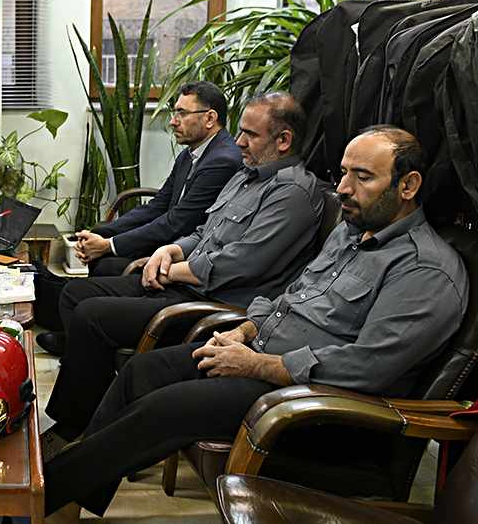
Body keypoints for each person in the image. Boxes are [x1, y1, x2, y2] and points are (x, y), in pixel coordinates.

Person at [39, 125, 468, 519]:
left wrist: (256, 364)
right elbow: (291, 295)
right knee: (142, 371)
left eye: (363, 177)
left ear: (408, 185)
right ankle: (69, 501)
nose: (343, 188)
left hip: (318, 408)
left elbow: (367, 366)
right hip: (260, 359)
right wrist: (243, 330)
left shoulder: (425, 270)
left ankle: (41, 499)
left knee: (164, 409)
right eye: (343, 173)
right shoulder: (351, 232)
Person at [41, 91, 324, 448]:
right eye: (240, 131)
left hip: (215, 304)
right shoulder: (247, 176)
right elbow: (204, 232)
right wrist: (171, 250)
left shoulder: (292, 193)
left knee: (91, 316)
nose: (239, 141)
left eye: (250, 134)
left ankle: (74, 427)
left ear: (283, 140)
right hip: (186, 285)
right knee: (78, 295)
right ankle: (89, 411)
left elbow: (239, 263)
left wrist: (171, 270)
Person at [36, 81, 242, 353]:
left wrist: (109, 246)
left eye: (182, 113)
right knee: (102, 244)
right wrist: (104, 234)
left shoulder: (223, 160)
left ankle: (85, 338)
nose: (173, 121)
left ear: (210, 118)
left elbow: (178, 222)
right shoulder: (191, 154)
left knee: (106, 263)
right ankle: (79, 336)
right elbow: (157, 206)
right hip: (170, 239)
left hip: (183, 253)